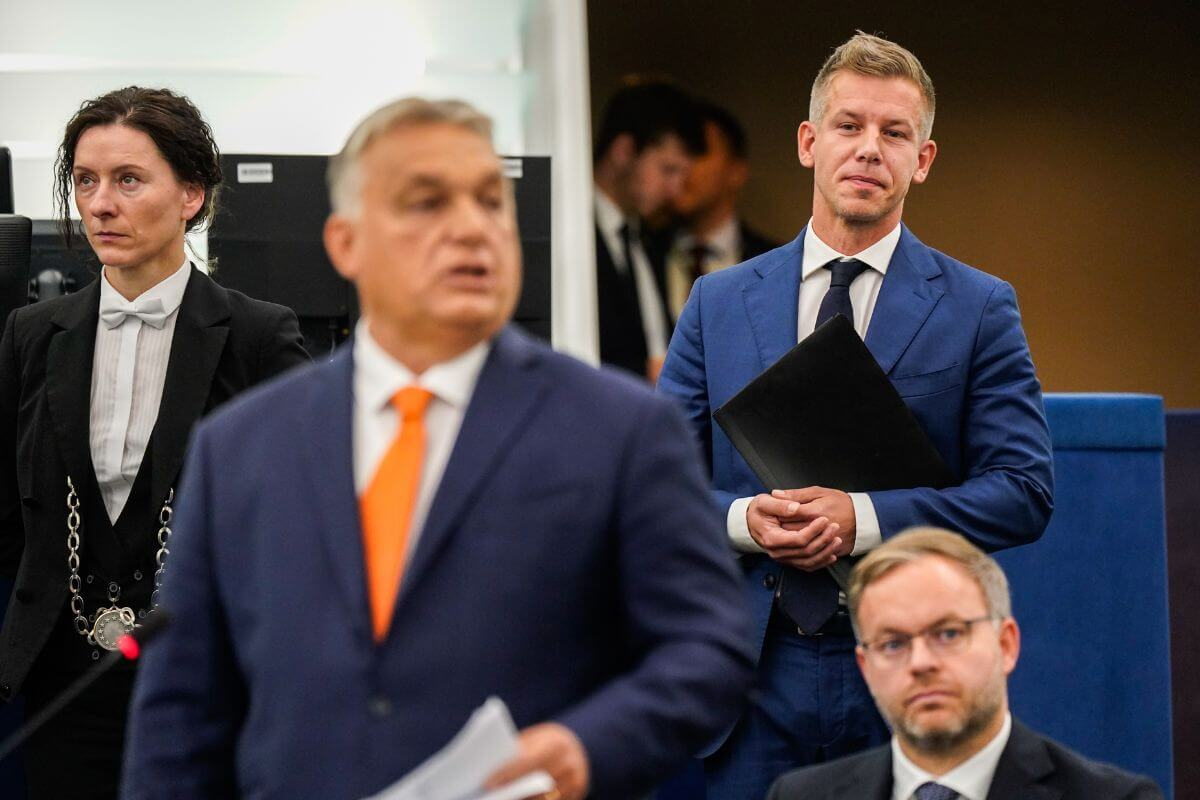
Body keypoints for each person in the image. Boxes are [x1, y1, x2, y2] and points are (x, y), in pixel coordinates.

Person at [120, 97, 753, 800]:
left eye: (490, 201)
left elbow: (708, 649)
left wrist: (587, 746)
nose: (472, 227)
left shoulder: (622, 429)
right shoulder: (241, 447)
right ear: (346, 244)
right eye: (427, 203)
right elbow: (180, 715)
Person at [657, 32, 1054, 799]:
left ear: (922, 159)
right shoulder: (716, 302)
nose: (870, 148)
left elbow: (1024, 491)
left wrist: (862, 518)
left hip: (908, 669)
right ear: (809, 142)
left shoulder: (978, 307)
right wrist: (744, 521)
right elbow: (652, 492)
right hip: (751, 675)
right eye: (849, 125)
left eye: (894, 132)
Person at [0, 86, 307, 798]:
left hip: (203, 669)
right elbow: (6, 512)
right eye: (85, 181)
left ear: (191, 195)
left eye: (129, 180)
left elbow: (297, 518)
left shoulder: (259, 336)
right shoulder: (31, 334)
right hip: (60, 677)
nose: (100, 205)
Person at [768, 527, 1163, 800]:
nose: (921, 663)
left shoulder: (1114, 797)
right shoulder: (799, 796)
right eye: (893, 644)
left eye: (948, 634)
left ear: (1006, 644)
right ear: (866, 667)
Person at [593, 79, 705, 381]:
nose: (676, 190)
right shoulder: (571, 234)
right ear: (623, 151)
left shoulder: (649, 239)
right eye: (668, 169)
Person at [662, 102, 779, 321]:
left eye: (697, 152)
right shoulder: (645, 251)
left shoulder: (774, 264)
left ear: (736, 171)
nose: (682, 165)